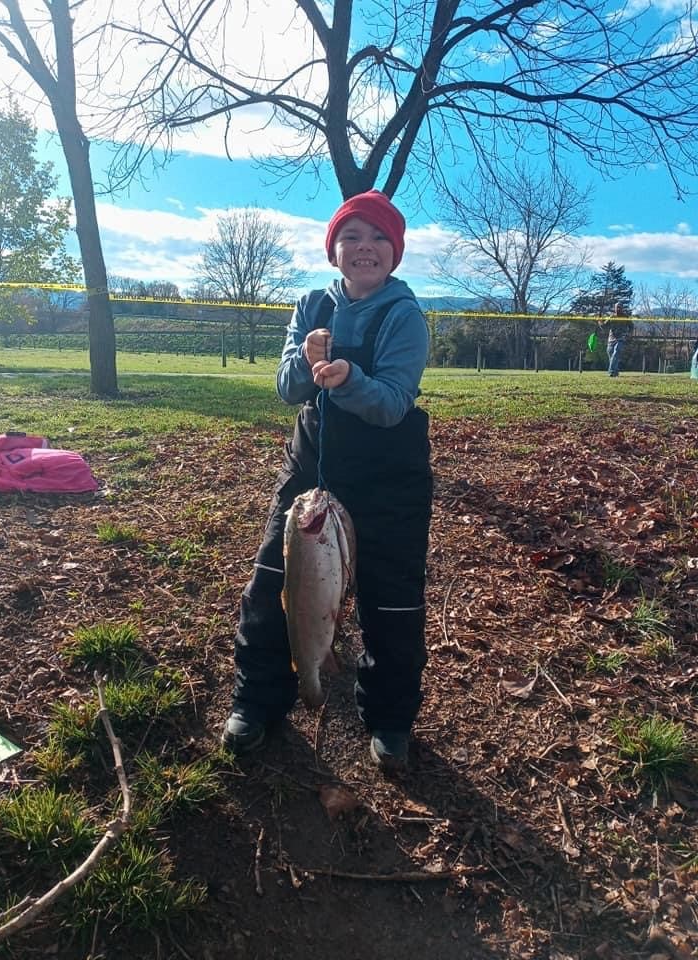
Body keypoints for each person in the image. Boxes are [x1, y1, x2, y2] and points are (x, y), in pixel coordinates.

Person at [221, 189, 433, 772]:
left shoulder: (404, 314)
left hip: (390, 479)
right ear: (333, 251)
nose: (364, 247)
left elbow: (392, 403)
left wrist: (347, 379)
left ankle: (389, 720)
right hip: (311, 469)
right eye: (351, 237)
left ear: (395, 252)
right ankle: (257, 700)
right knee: (272, 583)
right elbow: (288, 387)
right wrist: (306, 363)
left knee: (391, 603)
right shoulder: (311, 304)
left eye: (377, 238)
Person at [603, 302, 633, 377]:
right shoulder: (611, 317)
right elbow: (604, 326)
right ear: (615, 308)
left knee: (616, 353)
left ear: (622, 308)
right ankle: (615, 372)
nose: (618, 309)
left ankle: (611, 372)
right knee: (611, 355)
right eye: (617, 307)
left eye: (620, 307)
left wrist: (629, 333)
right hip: (611, 339)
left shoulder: (626, 317)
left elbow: (631, 326)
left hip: (621, 338)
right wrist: (599, 322)